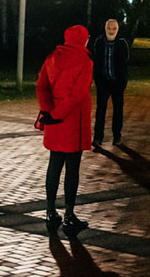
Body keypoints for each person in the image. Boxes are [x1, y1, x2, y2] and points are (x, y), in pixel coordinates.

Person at [37, 25, 94, 234]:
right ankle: (69, 215)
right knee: (72, 169)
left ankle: (50, 211)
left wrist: (48, 111)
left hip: (53, 119)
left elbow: (41, 85)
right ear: (83, 40)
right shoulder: (86, 61)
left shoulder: (52, 56)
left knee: (54, 165)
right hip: (72, 121)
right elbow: (78, 95)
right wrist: (58, 114)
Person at [90, 18, 131, 148]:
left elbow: (126, 60)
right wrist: (98, 79)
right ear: (105, 28)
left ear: (117, 29)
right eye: (109, 28)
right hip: (103, 82)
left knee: (118, 110)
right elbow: (96, 60)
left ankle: (117, 136)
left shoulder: (122, 43)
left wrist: (122, 81)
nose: (111, 31)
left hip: (117, 83)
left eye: (114, 28)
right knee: (100, 111)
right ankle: (98, 138)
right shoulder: (99, 42)